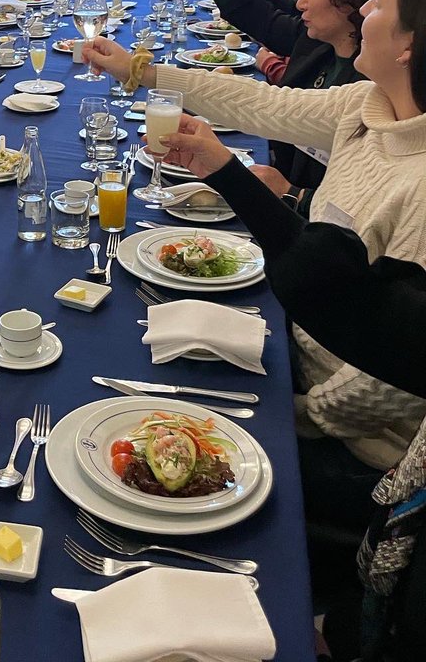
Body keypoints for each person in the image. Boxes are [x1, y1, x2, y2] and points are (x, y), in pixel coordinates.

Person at [82, 0, 426, 531]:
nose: (365, 6)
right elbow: (265, 104)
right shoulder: (370, 105)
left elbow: (394, 380)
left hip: (352, 446)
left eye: (381, 3)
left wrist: (296, 414)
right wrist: (140, 71)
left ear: (409, 45)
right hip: (290, 342)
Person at [148, 115, 426, 662]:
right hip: (329, 397)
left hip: (373, 461)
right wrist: (229, 173)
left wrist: (292, 413)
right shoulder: (370, 114)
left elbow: (376, 336)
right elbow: (353, 301)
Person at [167, 0, 408, 206]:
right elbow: (260, 17)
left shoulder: (377, 87)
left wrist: (294, 193)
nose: (301, 2)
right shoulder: (317, 43)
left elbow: (370, 206)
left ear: (350, 0)